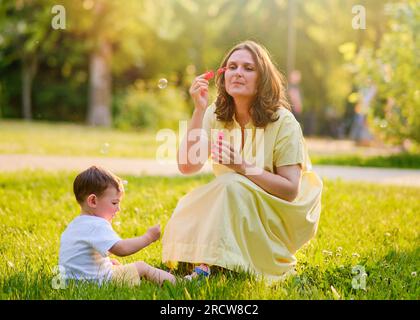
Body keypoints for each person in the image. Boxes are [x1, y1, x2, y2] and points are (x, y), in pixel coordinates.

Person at [162, 41, 323, 281]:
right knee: (194, 201)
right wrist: (198, 109)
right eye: (232, 67)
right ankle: (211, 259)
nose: (238, 72)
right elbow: (187, 165)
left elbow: (290, 190)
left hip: (283, 210)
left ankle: (207, 265)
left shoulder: (283, 122)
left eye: (248, 68)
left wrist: (242, 166)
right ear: (223, 75)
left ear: (263, 79)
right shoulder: (215, 113)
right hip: (236, 199)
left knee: (230, 184)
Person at [59, 165, 176, 286]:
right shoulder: (97, 224)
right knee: (141, 267)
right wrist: (148, 238)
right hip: (98, 282)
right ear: (93, 201)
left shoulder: (74, 225)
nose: (118, 208)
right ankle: (180, 282)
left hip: (72, 282)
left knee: (115, 265)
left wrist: (106, 263)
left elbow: (83, 257)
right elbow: (121, 249)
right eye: (114, 202)